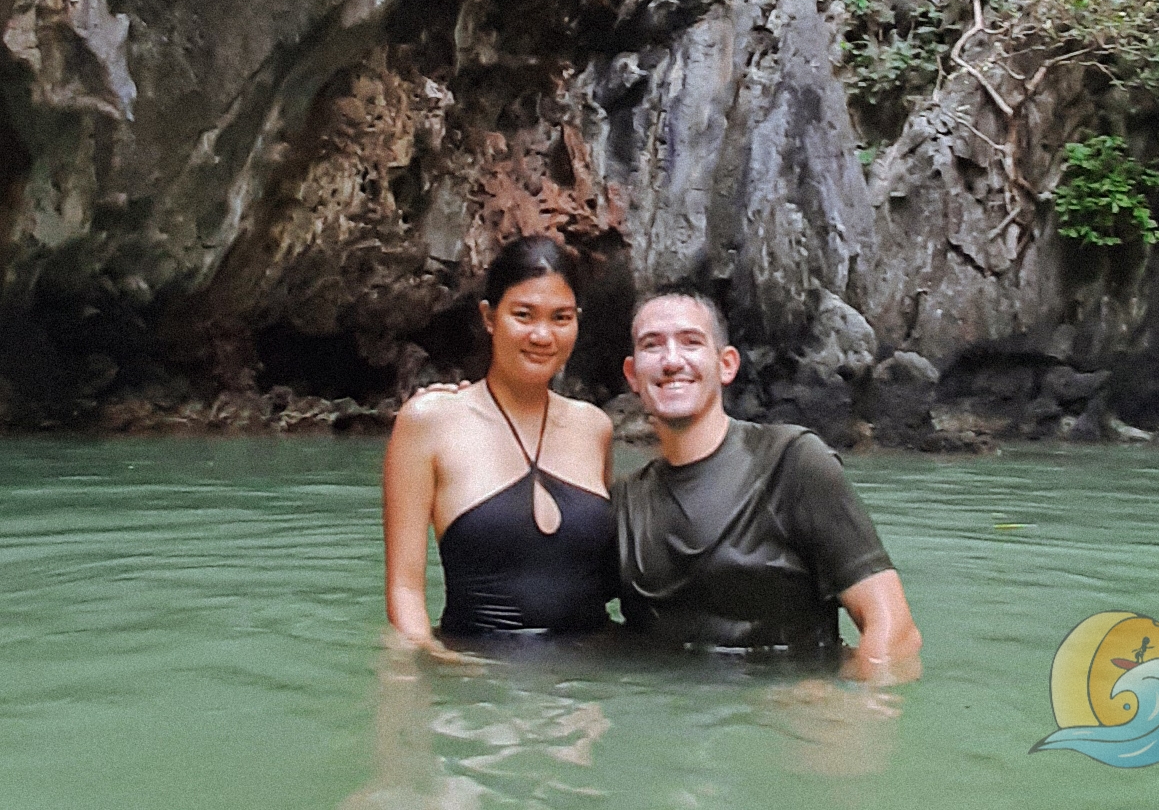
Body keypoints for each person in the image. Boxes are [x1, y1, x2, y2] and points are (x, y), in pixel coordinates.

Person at [616, 289, 922, 677]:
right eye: (652, 346)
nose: (672, 361)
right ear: (632, 375)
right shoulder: (626, 503)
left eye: (691, 342)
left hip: (788, 716)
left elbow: (895, 631)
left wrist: (847, 714)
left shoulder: (791, 462)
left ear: (726, 365)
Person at [383, 233, 618, 646]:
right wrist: (435, 668)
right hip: (479, 687)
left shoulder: (595, 428)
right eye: (524, 315)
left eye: (560, 318)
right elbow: (404, 593)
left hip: (590, 687)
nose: (542, 336)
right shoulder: (429, 422)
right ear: (489, 318)